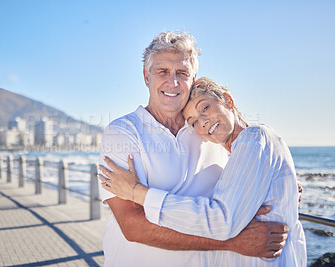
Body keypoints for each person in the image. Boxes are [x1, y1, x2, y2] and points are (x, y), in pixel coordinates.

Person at [98, 31, 289, 267]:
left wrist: (280, 185)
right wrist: (231, 242)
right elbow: (132, 225)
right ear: (147, 77)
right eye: (162, 72)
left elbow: (250, 160)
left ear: (193, 78)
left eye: (182, 73)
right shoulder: (122, 132)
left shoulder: (207, 129)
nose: (173, 82)